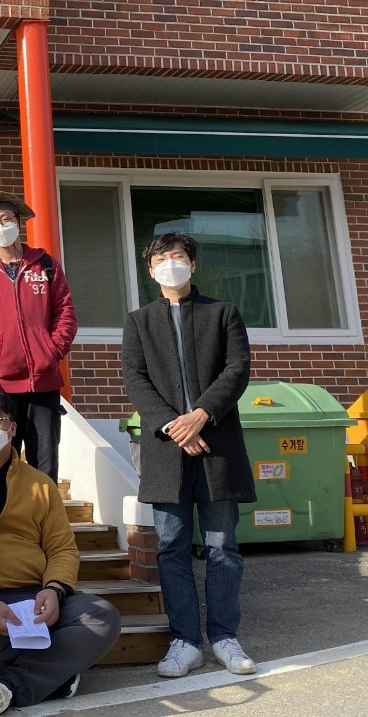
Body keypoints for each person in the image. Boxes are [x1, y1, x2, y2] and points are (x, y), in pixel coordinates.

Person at [0, 386, 119, 713]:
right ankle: (56, 673)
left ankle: (9, 683)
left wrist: (54, 591)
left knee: (102, 617)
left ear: (12, 428)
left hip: (34, 596)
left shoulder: (41, 484)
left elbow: (62, 548)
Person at [122, 232, 257, 679]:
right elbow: (136, 379)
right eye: (161, 259)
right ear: (150, 270)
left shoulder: (223, 313)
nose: (171, 264)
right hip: (167, 449)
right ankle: (185, 641)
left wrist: (201, 415)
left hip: (217, 446)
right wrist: (174, 426)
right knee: (171, 547)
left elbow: (237, 369)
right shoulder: (139, 322)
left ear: (193, 264)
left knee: (222, 546)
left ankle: (224, 636)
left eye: (178, 256)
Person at [0, 192, 77, 483]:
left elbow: (65, 311)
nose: (1, 227)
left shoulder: (45, 264)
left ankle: (43, 512)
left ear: (18, 221)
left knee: (45, 463)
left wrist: (52, 349)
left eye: (6, 219)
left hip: (44, 381)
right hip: (0, 383)